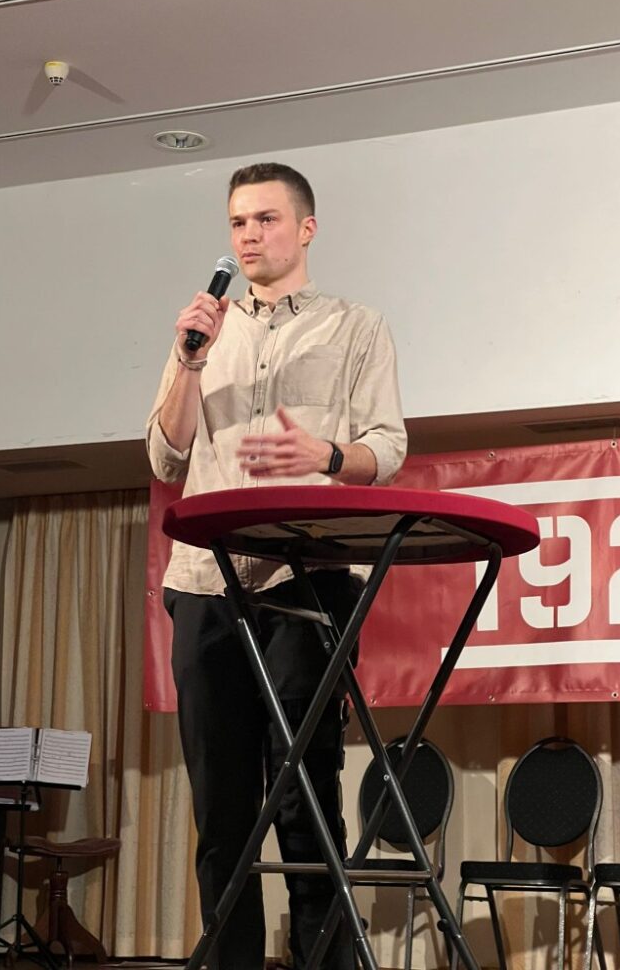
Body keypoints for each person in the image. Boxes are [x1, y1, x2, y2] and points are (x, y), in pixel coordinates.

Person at [146, 162, 407, 970]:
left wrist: (324, 454)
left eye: (265, 219)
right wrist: (190, 361)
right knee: (220, 806)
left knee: (305, 797)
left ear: (306, 229)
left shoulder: (355, 327)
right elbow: (164, 457)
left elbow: (387, 449)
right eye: (237, 223)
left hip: (306, 577)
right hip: (206, 583)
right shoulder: (201, 334)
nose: (249, 235)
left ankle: (322, 959)